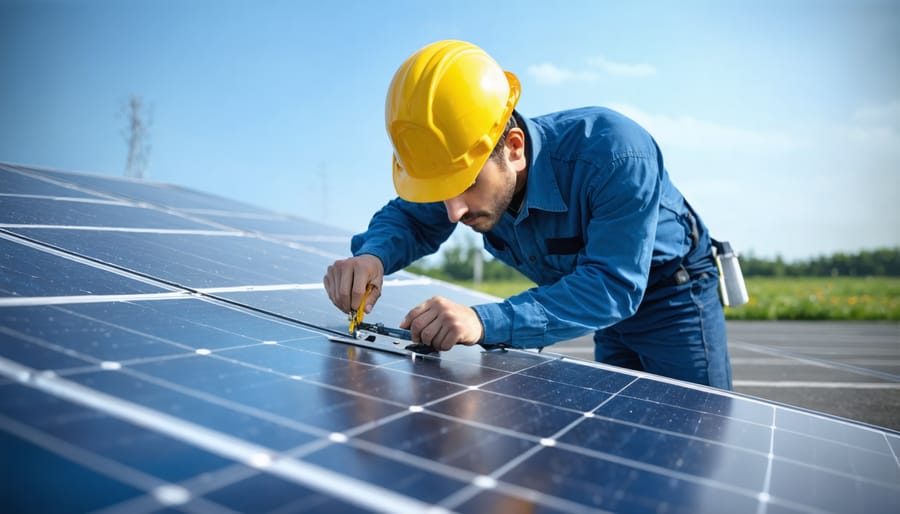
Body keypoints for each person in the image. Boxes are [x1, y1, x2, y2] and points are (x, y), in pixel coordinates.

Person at [323, 40, 732, 390]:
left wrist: (482, 322)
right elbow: (411, 219)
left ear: (514, 147)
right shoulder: (466, 165)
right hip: (596, 308)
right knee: (623, 437)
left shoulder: (616, 154)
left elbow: (612, 284)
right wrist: (372, 257)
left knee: (693, 440)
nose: (453, 211)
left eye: (465, 185)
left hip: (673, 296)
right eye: (440, 191)